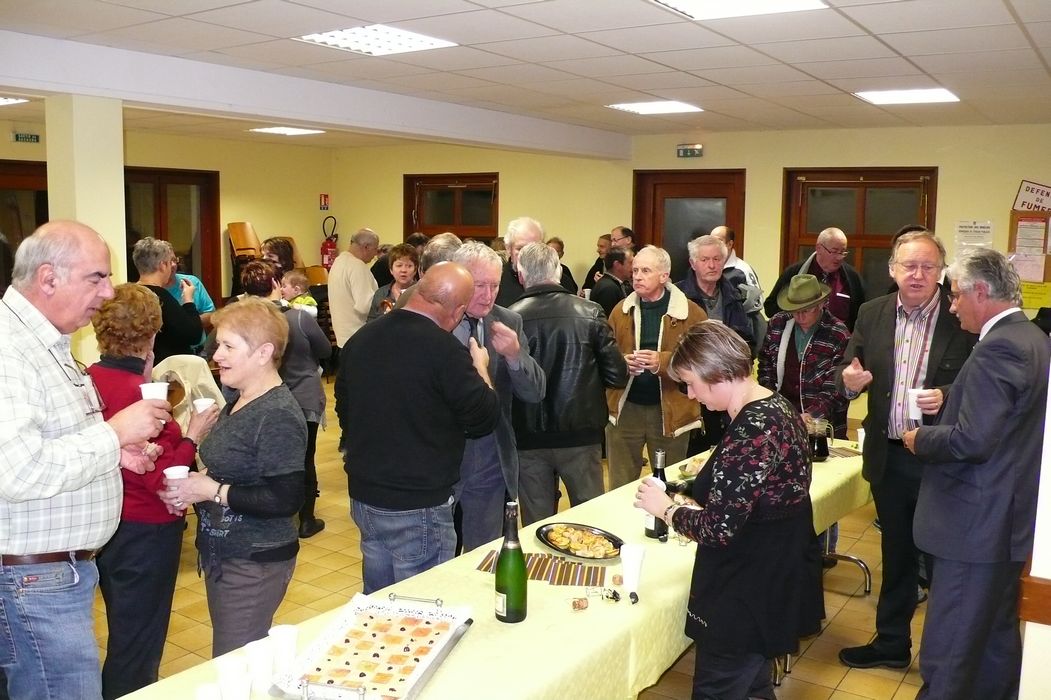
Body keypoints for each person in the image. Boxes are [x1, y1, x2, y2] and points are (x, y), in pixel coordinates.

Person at [0, 220, 170, 700]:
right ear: (48, 278)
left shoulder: (44, 343)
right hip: (33, 579)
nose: (108, 291)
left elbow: (52, 439)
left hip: (51, 575)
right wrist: (114, 434)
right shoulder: (10, 351)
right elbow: (18, 471)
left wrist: (115, 453)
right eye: (97, 278)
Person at [635, 321, 823, 700]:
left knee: (718, 688)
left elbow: (717, 529)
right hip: (774, 571)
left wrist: (667, 510)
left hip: (747, 586)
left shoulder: (754, 427)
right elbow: (746, 485)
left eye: (691, 383)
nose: (690, 394)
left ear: (717, 373)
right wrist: (683, 488)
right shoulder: (775, 406)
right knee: (752, 687)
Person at [903, 248, 1049, 699]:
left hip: (972, 525)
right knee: (993, 646)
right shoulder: (1031, 337)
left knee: (949, 651)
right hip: (1004, 523)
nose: (952, 306)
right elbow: (1006, 419)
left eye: (955, 295)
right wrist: (952, 397)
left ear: (980, 292)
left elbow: (972, 441)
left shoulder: (997, 347)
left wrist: (920, 439)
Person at [835, 230, 977, 670]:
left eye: (927, 267)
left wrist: (947, 395)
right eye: (909, 266)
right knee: (896, 556)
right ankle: (892, 644)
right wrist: (849, 381)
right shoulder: (872, 312)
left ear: (941, 272)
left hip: (941, 461)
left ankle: (945, 660)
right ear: (892, 269)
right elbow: (848, 367)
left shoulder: (960, 316)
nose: (917, 275)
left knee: (941, 562)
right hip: (890, 456)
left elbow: (980, 382)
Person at [87, 283, 220, 699]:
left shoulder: (88, 379)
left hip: (106, 525)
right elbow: (166, 478)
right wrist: (193, 434)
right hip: (146, 530)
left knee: (121, 631)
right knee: (137, 645)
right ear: (152, 332)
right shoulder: (141, 396)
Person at [335, 262, 500, 592]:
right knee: (422, 603)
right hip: (418, 502)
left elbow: (344, 410)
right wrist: (481, 367)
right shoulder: (445, 350)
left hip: (365, 495)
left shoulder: (361, 339)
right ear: (457, 311)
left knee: (379, 598)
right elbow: (484, 417)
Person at [160, 297, 307, 656]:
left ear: (263, 353)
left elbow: (286, 498)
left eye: (228, 346)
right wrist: (191, 488)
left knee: (234, 662)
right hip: (226, 555)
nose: (217, 355)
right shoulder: (239, 399)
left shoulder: (276, 414)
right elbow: (235, 469)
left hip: (255, 561)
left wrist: (212, 490)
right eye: (218, 345)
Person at [508, 242, 627, 524]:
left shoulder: (509, 317)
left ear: (521, 275)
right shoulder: (590, 312)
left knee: (536, 524)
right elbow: (617, 375)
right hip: (581, 434)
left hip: (527, 434)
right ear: (559, 272)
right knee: (589, 522)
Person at [451, 242, 545, 550]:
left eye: (494, 285)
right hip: (443, 458)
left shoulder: (508, 321)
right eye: (479, 285)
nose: (488, 295)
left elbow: (535, 392)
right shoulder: (435, 321)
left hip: (490, 458)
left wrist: (515, 356)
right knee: (438, 556)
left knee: (484, 554)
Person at [241, 261, 332, 538]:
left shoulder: (243, 321)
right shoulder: (299, 318)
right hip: (304, 396)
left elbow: (211, 348)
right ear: (276, 285)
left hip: (261, 399)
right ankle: (306, 519)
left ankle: (274, 513)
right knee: (305, 458)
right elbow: (326, 350)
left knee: (268, 458)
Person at [606, 245, 706, 490]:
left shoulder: (691, 313)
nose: (637, 276)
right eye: (635, 270)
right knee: (620, 484)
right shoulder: (620, 310)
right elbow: (604, 355)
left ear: (664, 276)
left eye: (646, 271)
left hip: (671, 410)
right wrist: (622, 362)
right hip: (625, 408)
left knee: (668, 484)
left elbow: (704, 360)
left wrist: (663, 362)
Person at [676, 234, 757, 453]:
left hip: (727, 391)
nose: (712, 265)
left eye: (717, 259)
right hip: (690, 395)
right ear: (693, 263)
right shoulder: (678, 297)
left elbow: (748, 343)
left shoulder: (735, 296)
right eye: (705, 260)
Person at [758, 274, 850, 438]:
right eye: (794, 310)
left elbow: (837, 385)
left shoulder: (837, 333)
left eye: (806, 310)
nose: (799, 316)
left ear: (821, 304)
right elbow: (766, 367)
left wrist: (811, 414)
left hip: (823, 426)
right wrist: (772, 405)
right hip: (782, 419)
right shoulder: (778, 324)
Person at [765, 227, 866, 331]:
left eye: (843, 252)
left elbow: (861, 317)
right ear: (819, 248)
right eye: (834, 251)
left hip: (839, 337)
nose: (839, 257)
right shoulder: (794, 273)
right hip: (799, 336)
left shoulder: (853, 278)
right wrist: (797, 313)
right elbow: (770, 308)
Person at [133, 237, 204, 362]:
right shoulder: (160, 297)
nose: (173, 266)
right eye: (170, 262)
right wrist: (188, 301)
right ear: (162, 265)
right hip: (164, 367)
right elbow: (194, 335)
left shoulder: (129, 294)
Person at [494, 216, 575, 307]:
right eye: (520, 249)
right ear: (509, 249)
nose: (526, 254)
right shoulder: (495, 282)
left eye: (533, 248)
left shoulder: (562, 281)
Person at [328, 227, 380, 347]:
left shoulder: (338, 261)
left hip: (343, 338)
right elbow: (365, 306)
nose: (375, 254)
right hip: (359, 337)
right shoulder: (358, 266)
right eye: (375, 249)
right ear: (366, 247)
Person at [710, 225, 762, 307]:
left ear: (729, 244)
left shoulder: (743, 269)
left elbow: (757, 302)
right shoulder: (706, 267)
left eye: (718, 241)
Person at [367, 243, 418, 321]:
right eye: (399, 265)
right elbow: (371, 322)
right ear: (391, 269)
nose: (403, 270)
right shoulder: (380, 293)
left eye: (409, 266)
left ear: (415, 270)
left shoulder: (423, 294)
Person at [590, 247, 633, 319]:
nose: (634, 267)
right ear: (617, 265)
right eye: (630, 263)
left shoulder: (613, 284)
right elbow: (609, 321)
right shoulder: (608, 288)